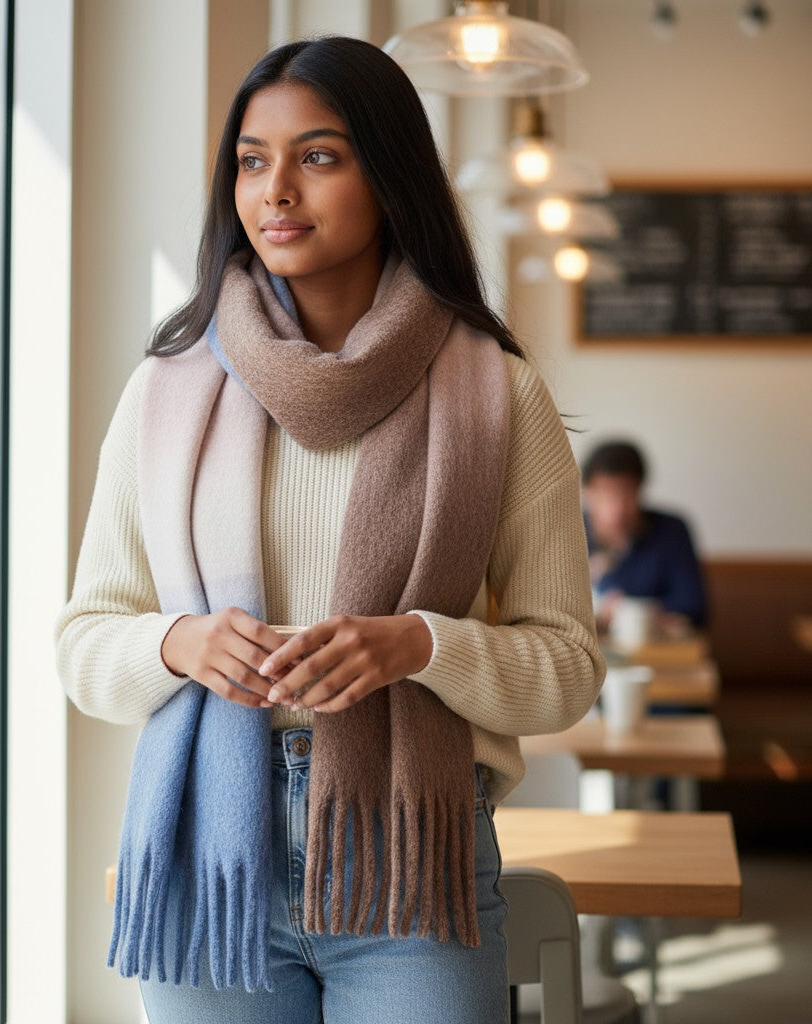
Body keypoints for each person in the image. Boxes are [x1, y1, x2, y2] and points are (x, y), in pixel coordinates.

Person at [54, 36, 603, 1024]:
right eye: (252, 161)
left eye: (317, 156)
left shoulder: (496, 395)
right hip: (209, 863)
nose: (277, 192)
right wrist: (181, 642)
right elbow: (84, 642)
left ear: (390, 176)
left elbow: (566, 667)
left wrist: (420, 644)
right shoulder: (167, 391)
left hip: (411, 865)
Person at [581, 439, 708, 634]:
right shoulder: (568, 533)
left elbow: (694, 607)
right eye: (606, 494)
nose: (618, 508)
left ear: (641, 490)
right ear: (587, 492)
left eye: (627, 493)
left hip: (656, 653)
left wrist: (635, 612)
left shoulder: (671, 531)